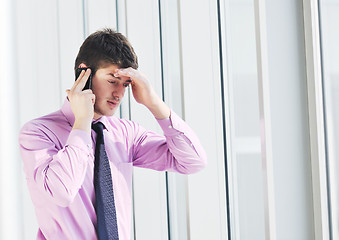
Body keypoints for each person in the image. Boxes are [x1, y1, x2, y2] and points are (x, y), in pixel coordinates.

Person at [19, 28, 207, 240]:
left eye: (125, 84)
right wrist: (82, 122)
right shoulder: (38, 133)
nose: (119, 93)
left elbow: (193, 161)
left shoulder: (125, 134)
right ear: (84, 73)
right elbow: (61, 192)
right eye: (112, 81)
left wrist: (153, 101)